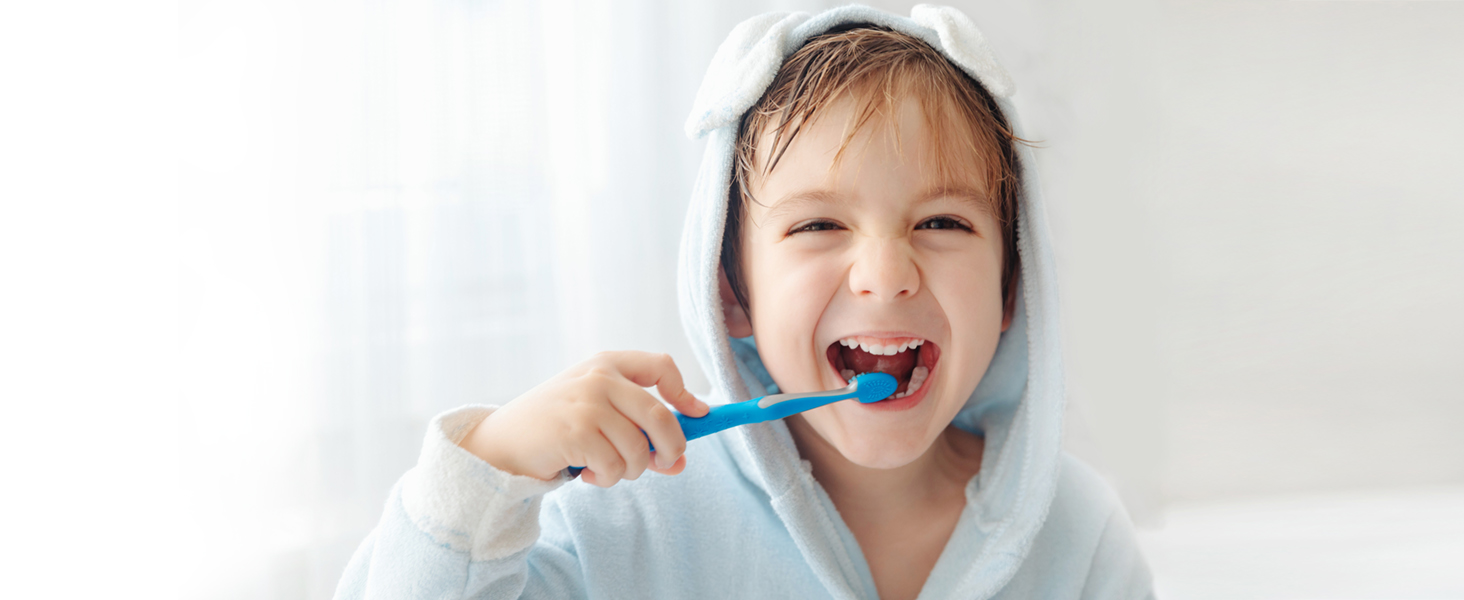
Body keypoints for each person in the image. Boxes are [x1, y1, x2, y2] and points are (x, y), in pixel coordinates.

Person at [334, 5, 1154, 599]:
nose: (885, 273)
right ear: (731, 294)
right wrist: (492, 467)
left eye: (942, 221)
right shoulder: (628, 523)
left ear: (1011, 287)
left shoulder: (1076, 536)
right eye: (820, 224)